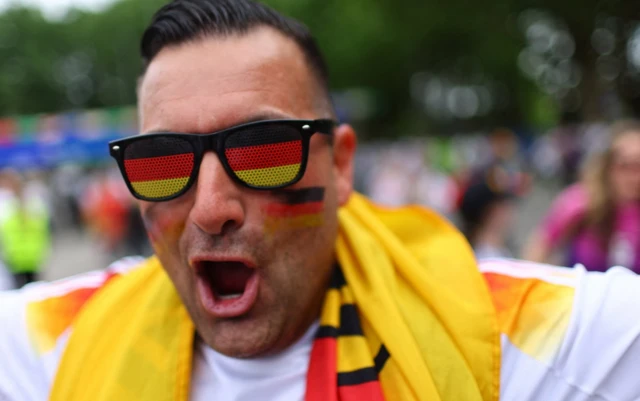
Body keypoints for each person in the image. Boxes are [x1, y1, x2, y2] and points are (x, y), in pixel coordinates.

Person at [2, 1, 640, 400]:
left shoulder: (511, 337)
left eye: (263, 149)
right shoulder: (55, 346)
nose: (209, 209)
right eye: (163, 163)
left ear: (341, 165)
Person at [524, 120, 640, 272]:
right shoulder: (581, 201)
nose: (634, 176)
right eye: (625, 165)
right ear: (607, 166)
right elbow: (538, 249)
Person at [459, 170, 517, 259]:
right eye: (502, 203)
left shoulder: (498, 251)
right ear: (491, 212)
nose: (509, 208)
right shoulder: (488, 258)